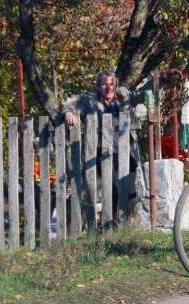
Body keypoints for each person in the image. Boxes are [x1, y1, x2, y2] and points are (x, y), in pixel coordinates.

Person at [61, 68, 145, 211]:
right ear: (98, 86)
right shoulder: (90, 100)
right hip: (103, 153)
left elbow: (143, 91)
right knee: (109, 191)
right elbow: (74, 107)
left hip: (125, 152)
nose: (108, 88)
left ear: (116, 86)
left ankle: (128, 222)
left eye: (112, 84)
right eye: (104, 84)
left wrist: (163, 79)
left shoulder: (124, 96)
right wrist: (70, 113)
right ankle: (109, 225)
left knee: (131, 189)